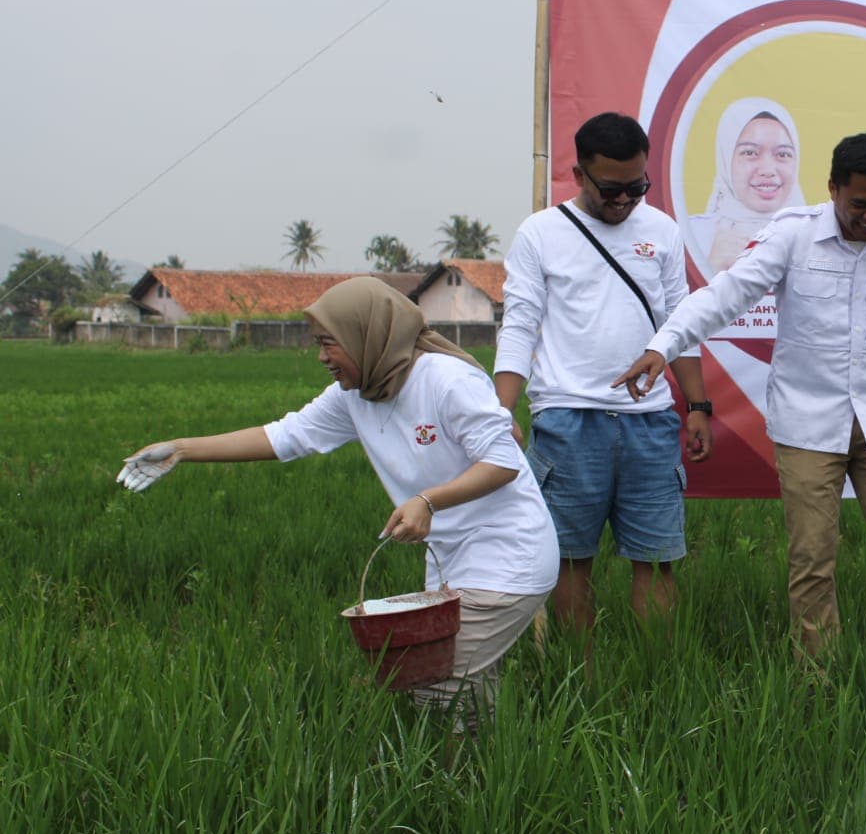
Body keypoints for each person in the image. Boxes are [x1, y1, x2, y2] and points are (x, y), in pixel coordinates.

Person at [116, 277, 558, 732]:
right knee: (461, 686)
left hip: (509, 555)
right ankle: (487, 772)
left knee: (431, 679)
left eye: (331, 343)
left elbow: (503, 461)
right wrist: (182, 449)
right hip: (453, 561)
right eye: (318, 343)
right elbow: (284, 435)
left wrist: (428, 500)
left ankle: (457, 783)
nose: (322, 356)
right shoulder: (357, 394)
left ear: (366, 335)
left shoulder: (446, 380)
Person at [615, 133, 866, 658]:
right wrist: (663, 345)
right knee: (813, 556)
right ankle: (820, 677)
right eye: (860, 204)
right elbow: (724, 295)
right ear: (833, 188)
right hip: (808, 426)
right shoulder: (793, 235)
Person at [493, 112, 712, 642]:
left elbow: (677, 325)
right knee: (569, 560)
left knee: (656, 559)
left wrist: (697, 406)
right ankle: (581, 681)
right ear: (578, 174)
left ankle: (657, 675)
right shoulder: (540, 233)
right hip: (568, 422)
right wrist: (499, 412)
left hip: (651, 423)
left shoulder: (660, 231)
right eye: (611, 189)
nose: (624, 201)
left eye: (637, 187)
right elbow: (520, 324)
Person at [691, 97, 807, 274]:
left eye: (783, 154)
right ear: (726, 159)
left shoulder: (815, 237)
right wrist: (711, 267)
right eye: (750, 153)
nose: (768, 170)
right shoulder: (692, 234)